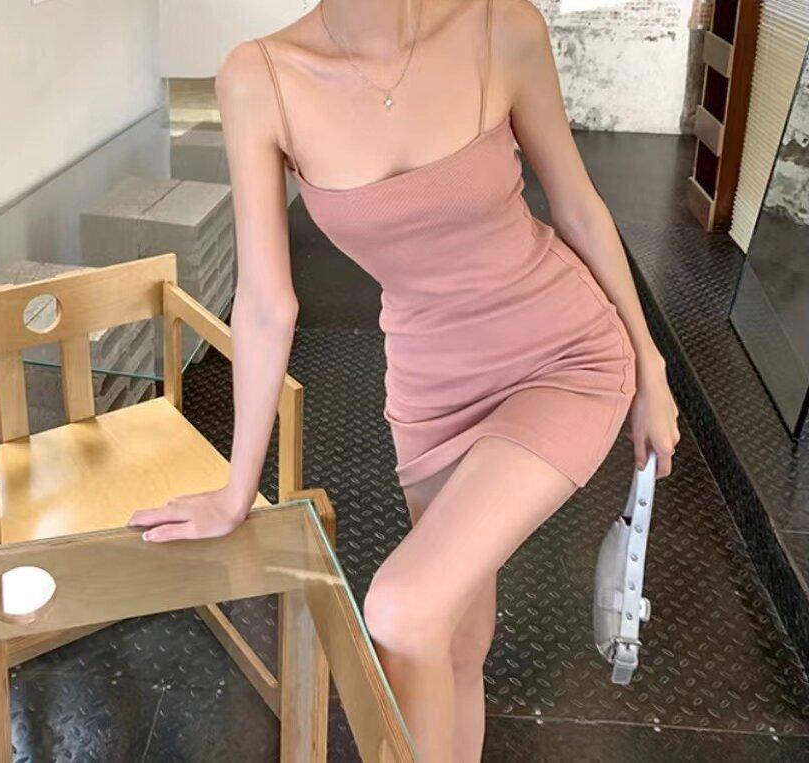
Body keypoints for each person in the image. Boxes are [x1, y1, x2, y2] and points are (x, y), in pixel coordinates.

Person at [128, 1, 681, 760]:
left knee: (401, 609)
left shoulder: (501, 27)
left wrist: (651, 367)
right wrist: (236, 489)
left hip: (562, 356)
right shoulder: (260, 77)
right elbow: (264, 303)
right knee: (454, 639)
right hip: (430, 386)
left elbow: (579, 209)